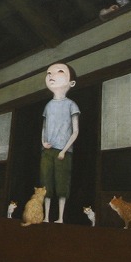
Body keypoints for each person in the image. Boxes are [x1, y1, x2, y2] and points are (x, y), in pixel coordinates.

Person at [40, 62, 79, 223]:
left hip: (64, 151)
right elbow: (44, 128)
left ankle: (61, 217)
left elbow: (75, 131)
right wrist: (43, 143)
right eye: (49, 73)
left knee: (62, 184)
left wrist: (64, 150)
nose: (51, 75)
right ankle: (46, 217)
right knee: (46, 184)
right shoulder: (48, 105)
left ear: (71, 83)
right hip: (47, 151)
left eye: (60, 71)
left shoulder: (71, 104)